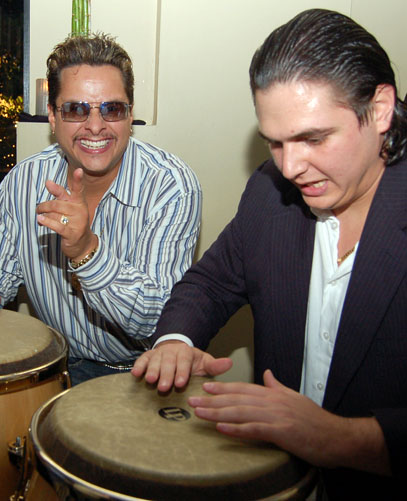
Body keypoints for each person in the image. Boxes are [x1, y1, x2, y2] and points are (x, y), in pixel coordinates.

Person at [132, 9, 406, 499]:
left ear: (380, 109)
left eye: (313, 137)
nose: (292, 167)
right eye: (275, 143)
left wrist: (338, 438)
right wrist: (175, 340)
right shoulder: (268, 191)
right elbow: (210, 283)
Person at [0, 33, 201, 385]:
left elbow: (158, 319)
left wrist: (87, 251)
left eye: (112, 109)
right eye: (76, 109)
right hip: (52, 366)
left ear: (130, 114)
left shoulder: (170, 186)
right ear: (53, 118)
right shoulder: (23, 181)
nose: (95, 126)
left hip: (141, 373)